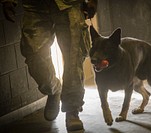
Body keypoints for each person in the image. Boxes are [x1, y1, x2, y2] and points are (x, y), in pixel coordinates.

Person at [1, 0, 97, 131]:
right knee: (34, 54)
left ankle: (72, 110)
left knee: (74, 57)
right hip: (35, 6)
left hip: (69, 4)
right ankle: (53, 89)